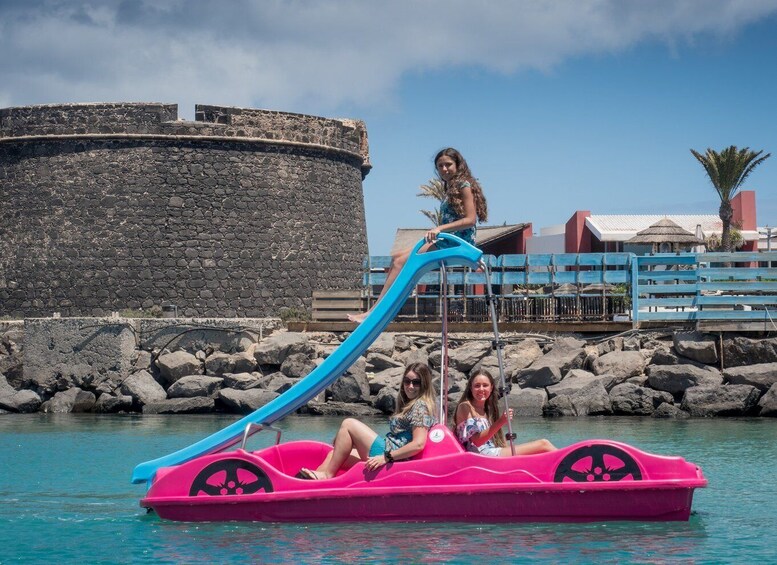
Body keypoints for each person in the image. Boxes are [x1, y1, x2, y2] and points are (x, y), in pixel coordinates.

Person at [348, 147, 488, 323]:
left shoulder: (464, 185)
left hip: (456, 242)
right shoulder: (451, 186)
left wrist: (440, 229)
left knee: (400, 262)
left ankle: (373, 312)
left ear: (458, 165)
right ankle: (378, 309)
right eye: (440, 166)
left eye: (448, 165)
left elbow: (470, 219)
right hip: (447, 240)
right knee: (397, 258)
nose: (444, 169)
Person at [298, 362, 437, 480]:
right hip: (389, 451)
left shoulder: (420, 406)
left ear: (424, 384)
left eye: (416, 382)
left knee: (348, 424)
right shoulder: (412, 405)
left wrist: (386, 457)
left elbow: (418, 444)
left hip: (392, 457)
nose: (410, 386)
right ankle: (313, 483)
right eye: (407, 381)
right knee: (334, 454)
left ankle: (327, 476)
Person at [454, 369, 556, 457]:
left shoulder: (487, 410)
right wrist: (501, 421)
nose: (481, 389)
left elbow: (493, 441)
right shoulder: (465, 406)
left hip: (490, 453)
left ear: (491, 387)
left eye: (485, 385)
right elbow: (476, 442)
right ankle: (568, 461)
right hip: (482, 456)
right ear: (471, 388)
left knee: (537, 451)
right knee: (544, 444)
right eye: (477, 386)